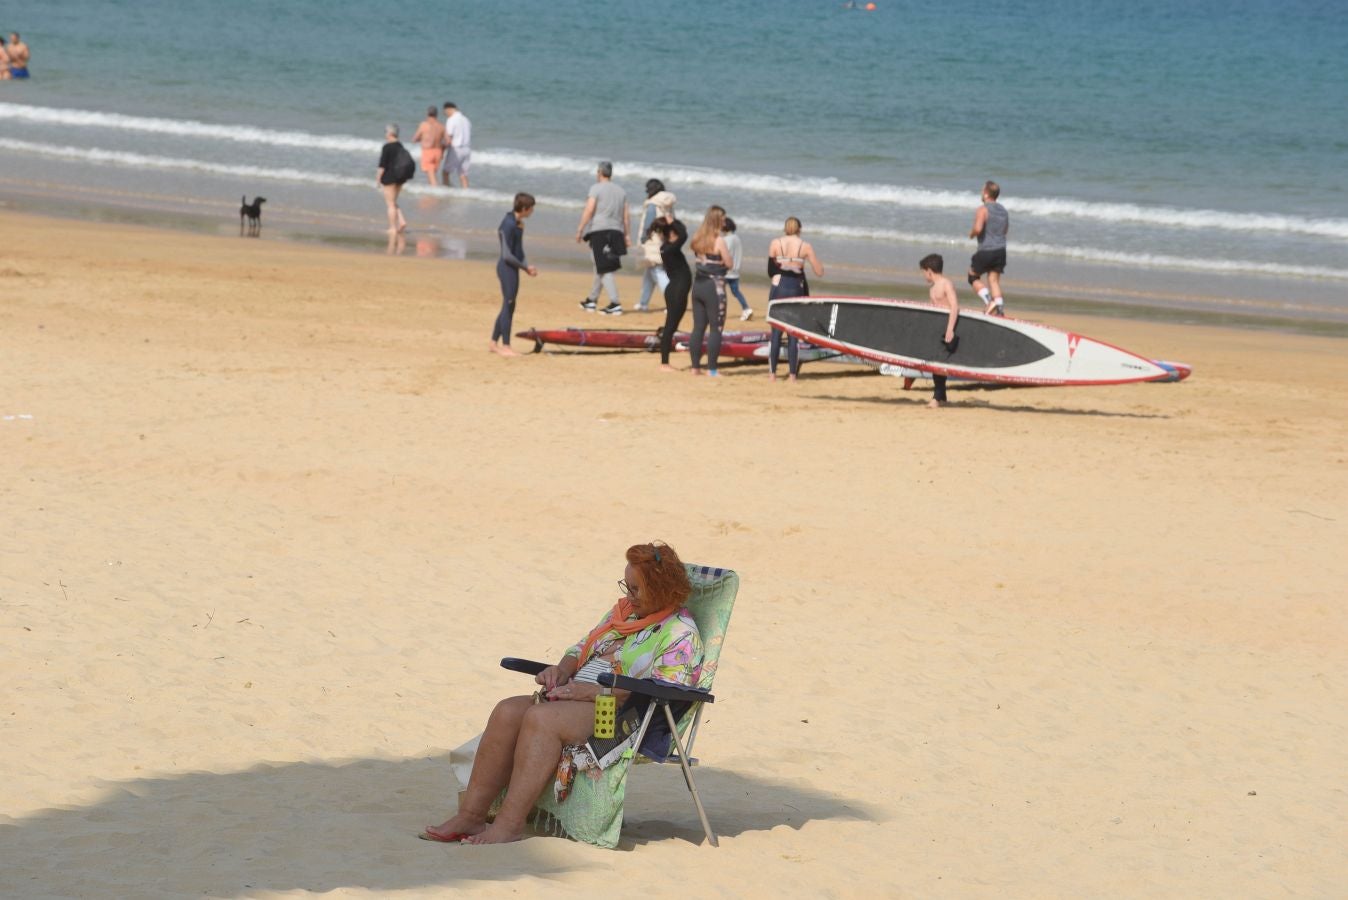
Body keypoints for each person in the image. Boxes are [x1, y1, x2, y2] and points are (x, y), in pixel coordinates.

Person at [423, 541, 702, 845]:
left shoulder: (680, 634)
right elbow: (580, 649)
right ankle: (472, 816)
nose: (628, 596)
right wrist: (562, 670)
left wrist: (593, 691)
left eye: (636, 589)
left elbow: (666, 691)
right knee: (508, 710)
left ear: (661, 589)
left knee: (542, 720)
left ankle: (510, 823)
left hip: (620, 714)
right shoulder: (625, 614)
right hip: (578, 694)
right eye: (627, 586)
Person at [766, 217, 825, 382]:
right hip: (795, 286)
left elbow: (770, 270)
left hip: (779, 286)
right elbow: (819, 271)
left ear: (785, 228)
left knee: (776, 332)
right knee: (794, 333)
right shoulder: (805, 246)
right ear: (800, 229)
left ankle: (772, 374)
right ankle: (792, 376)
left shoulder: (775, 243)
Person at [575, 161, 629, 316]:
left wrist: (580, 229)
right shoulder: (621, 191)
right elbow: (626, 216)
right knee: (601, 265)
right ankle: (591, 300)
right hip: (616, 231)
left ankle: (615, 303)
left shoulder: (596, 188)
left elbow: (589, 209)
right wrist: (627, 235)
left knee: (605, 268)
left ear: (599, 172)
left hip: (600, 231)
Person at [687, 205, 734, 376]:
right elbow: (729, 264)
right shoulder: (718, 240)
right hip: (714, 287)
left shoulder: (698, 237)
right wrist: (721, 263)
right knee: (716, 328)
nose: (724, 221)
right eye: (722, 218)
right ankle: (712, 369)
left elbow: (700, 259)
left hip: (698, 284)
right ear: (717, 220)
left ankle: (695, 367)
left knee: (698, 327)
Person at [491, 193, 538, 357]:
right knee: (508, 305)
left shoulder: (518, 223)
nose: (532, 211)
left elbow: (519, 250)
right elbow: (506, 255)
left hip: (513, 268)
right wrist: (524, 268)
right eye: (531, 208)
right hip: (506, 268)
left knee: (509, 305)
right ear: (525, 208)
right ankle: (506, 346)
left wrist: (527, 266)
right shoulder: (508, 224)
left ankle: (493, 343)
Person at [920, 253, 960, 409]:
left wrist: (950, 328)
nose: (924, 275)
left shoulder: (946, 284)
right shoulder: (932, 290)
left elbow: (954, 306)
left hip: (949, 327)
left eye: (924, 272)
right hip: (938, 329)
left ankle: (936, 398)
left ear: (929, 271)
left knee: (939, 364)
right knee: (936, 364)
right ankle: (941, 397)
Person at [653, 211, 691, 372]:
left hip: (674, 289)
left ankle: (665, 361)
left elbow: (682, 231)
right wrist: (672, 221)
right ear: (672, 233)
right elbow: (684, 234)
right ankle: (664, 364)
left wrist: (672, 221)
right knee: (670, 327)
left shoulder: (667, 248)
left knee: (672, 326)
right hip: (676, 291)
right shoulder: (670, 249)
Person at [968, 180, 1009, 315]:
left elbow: (978, 228)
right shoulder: (1003, 211)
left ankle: (989, 301)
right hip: (1000, 250)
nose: (981, 193)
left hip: (986, 250)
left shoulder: (983, 209)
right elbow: (1005, 230)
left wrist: (972, 233)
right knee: (994, 280)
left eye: (982, 190)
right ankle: (1000, 310)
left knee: (972, 276)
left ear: (986, 194)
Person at [633, 179, 673, 313]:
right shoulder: (666, 204)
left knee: (658, 273)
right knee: (649, 274)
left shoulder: (652, 205)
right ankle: (643, 303)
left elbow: (648, 224)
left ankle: (672, 302)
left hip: (653, 243)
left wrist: (644, 239)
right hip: (663, 241)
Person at [375, 124, 412, 234]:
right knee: (393, 201)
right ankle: (401, 221)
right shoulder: (401, 146)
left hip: (389, 178)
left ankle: (393, 228)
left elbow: (382, 165)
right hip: (400, 177)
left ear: (390, 134)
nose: (385, 134)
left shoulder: (387, 147)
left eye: (386, 132)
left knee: (390, 204)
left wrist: (378, 178)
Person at [721, 218, 754, 321]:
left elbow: (724, 255)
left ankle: (720, 311)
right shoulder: (737, 238)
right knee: (736, 292)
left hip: (726, 271)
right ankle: (746, 308)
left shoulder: (726, 240)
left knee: (720, 292)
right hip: (735, 271)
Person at [411, 106, 445, 188]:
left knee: (431, 174)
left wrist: (422, 138)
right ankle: (433, 193)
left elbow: (414, 139)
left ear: (427, 114)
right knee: (432, 173)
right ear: (437, 114)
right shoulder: (441, 126)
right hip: (438, 151)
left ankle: (436, 193)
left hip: (428, 151)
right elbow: (447, 141)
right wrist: (443, 151)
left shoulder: (424, 125)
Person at [441, 102, 473, 188]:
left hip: (456, 149)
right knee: (463, 174)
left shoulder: (451, 119)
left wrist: (442, 150)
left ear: (448, 109)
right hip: (467, 149)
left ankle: (446, 190)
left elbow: (448, 139)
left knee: (445, 172)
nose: (445, 114)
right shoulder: (466, 120)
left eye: (444, 112)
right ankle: (466, 192)